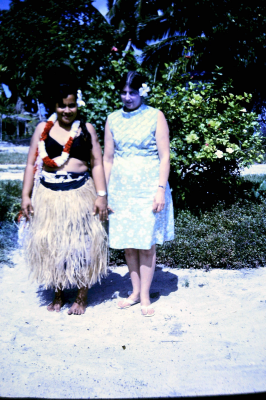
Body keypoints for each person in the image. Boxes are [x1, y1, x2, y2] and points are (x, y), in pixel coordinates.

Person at [21, 82, 108, 315]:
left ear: (77, 106)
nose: (67, 111)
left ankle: (81, 295)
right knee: (52, 244)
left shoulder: (86, 129)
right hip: (49, 195)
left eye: (71, 106)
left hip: (80, 192)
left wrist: (101, 196)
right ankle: (58, 293)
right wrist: (25, 196)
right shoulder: (43, 128)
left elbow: (97, 163)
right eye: (62, 106)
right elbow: (30, 164)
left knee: (83, 245)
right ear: (55, 106)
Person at [104, 71, 174, 317]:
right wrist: (105, 193)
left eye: (132, 92)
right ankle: (134, 293)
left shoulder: (156, 116)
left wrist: (160, 190)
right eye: (123, 92)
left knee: (146, 245)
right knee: (128, 245)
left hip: (148, 188)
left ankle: (145, 295)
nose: (127, 97)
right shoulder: (112, 118)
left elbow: (165, 156)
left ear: (142, 91)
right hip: (121, 190)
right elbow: (108, 158)